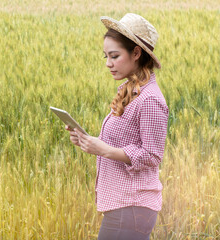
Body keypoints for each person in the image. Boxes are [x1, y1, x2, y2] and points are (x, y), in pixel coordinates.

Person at [65, 13, 169, 240]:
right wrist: (87, 140)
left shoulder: (149, 99)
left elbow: (152, 155)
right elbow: (124, 142)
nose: (108, 63)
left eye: (114, 56)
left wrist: (103, 149)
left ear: (136, 53)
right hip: (123, 206)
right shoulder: (130, 90)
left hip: (132, 206)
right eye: (106, 56)